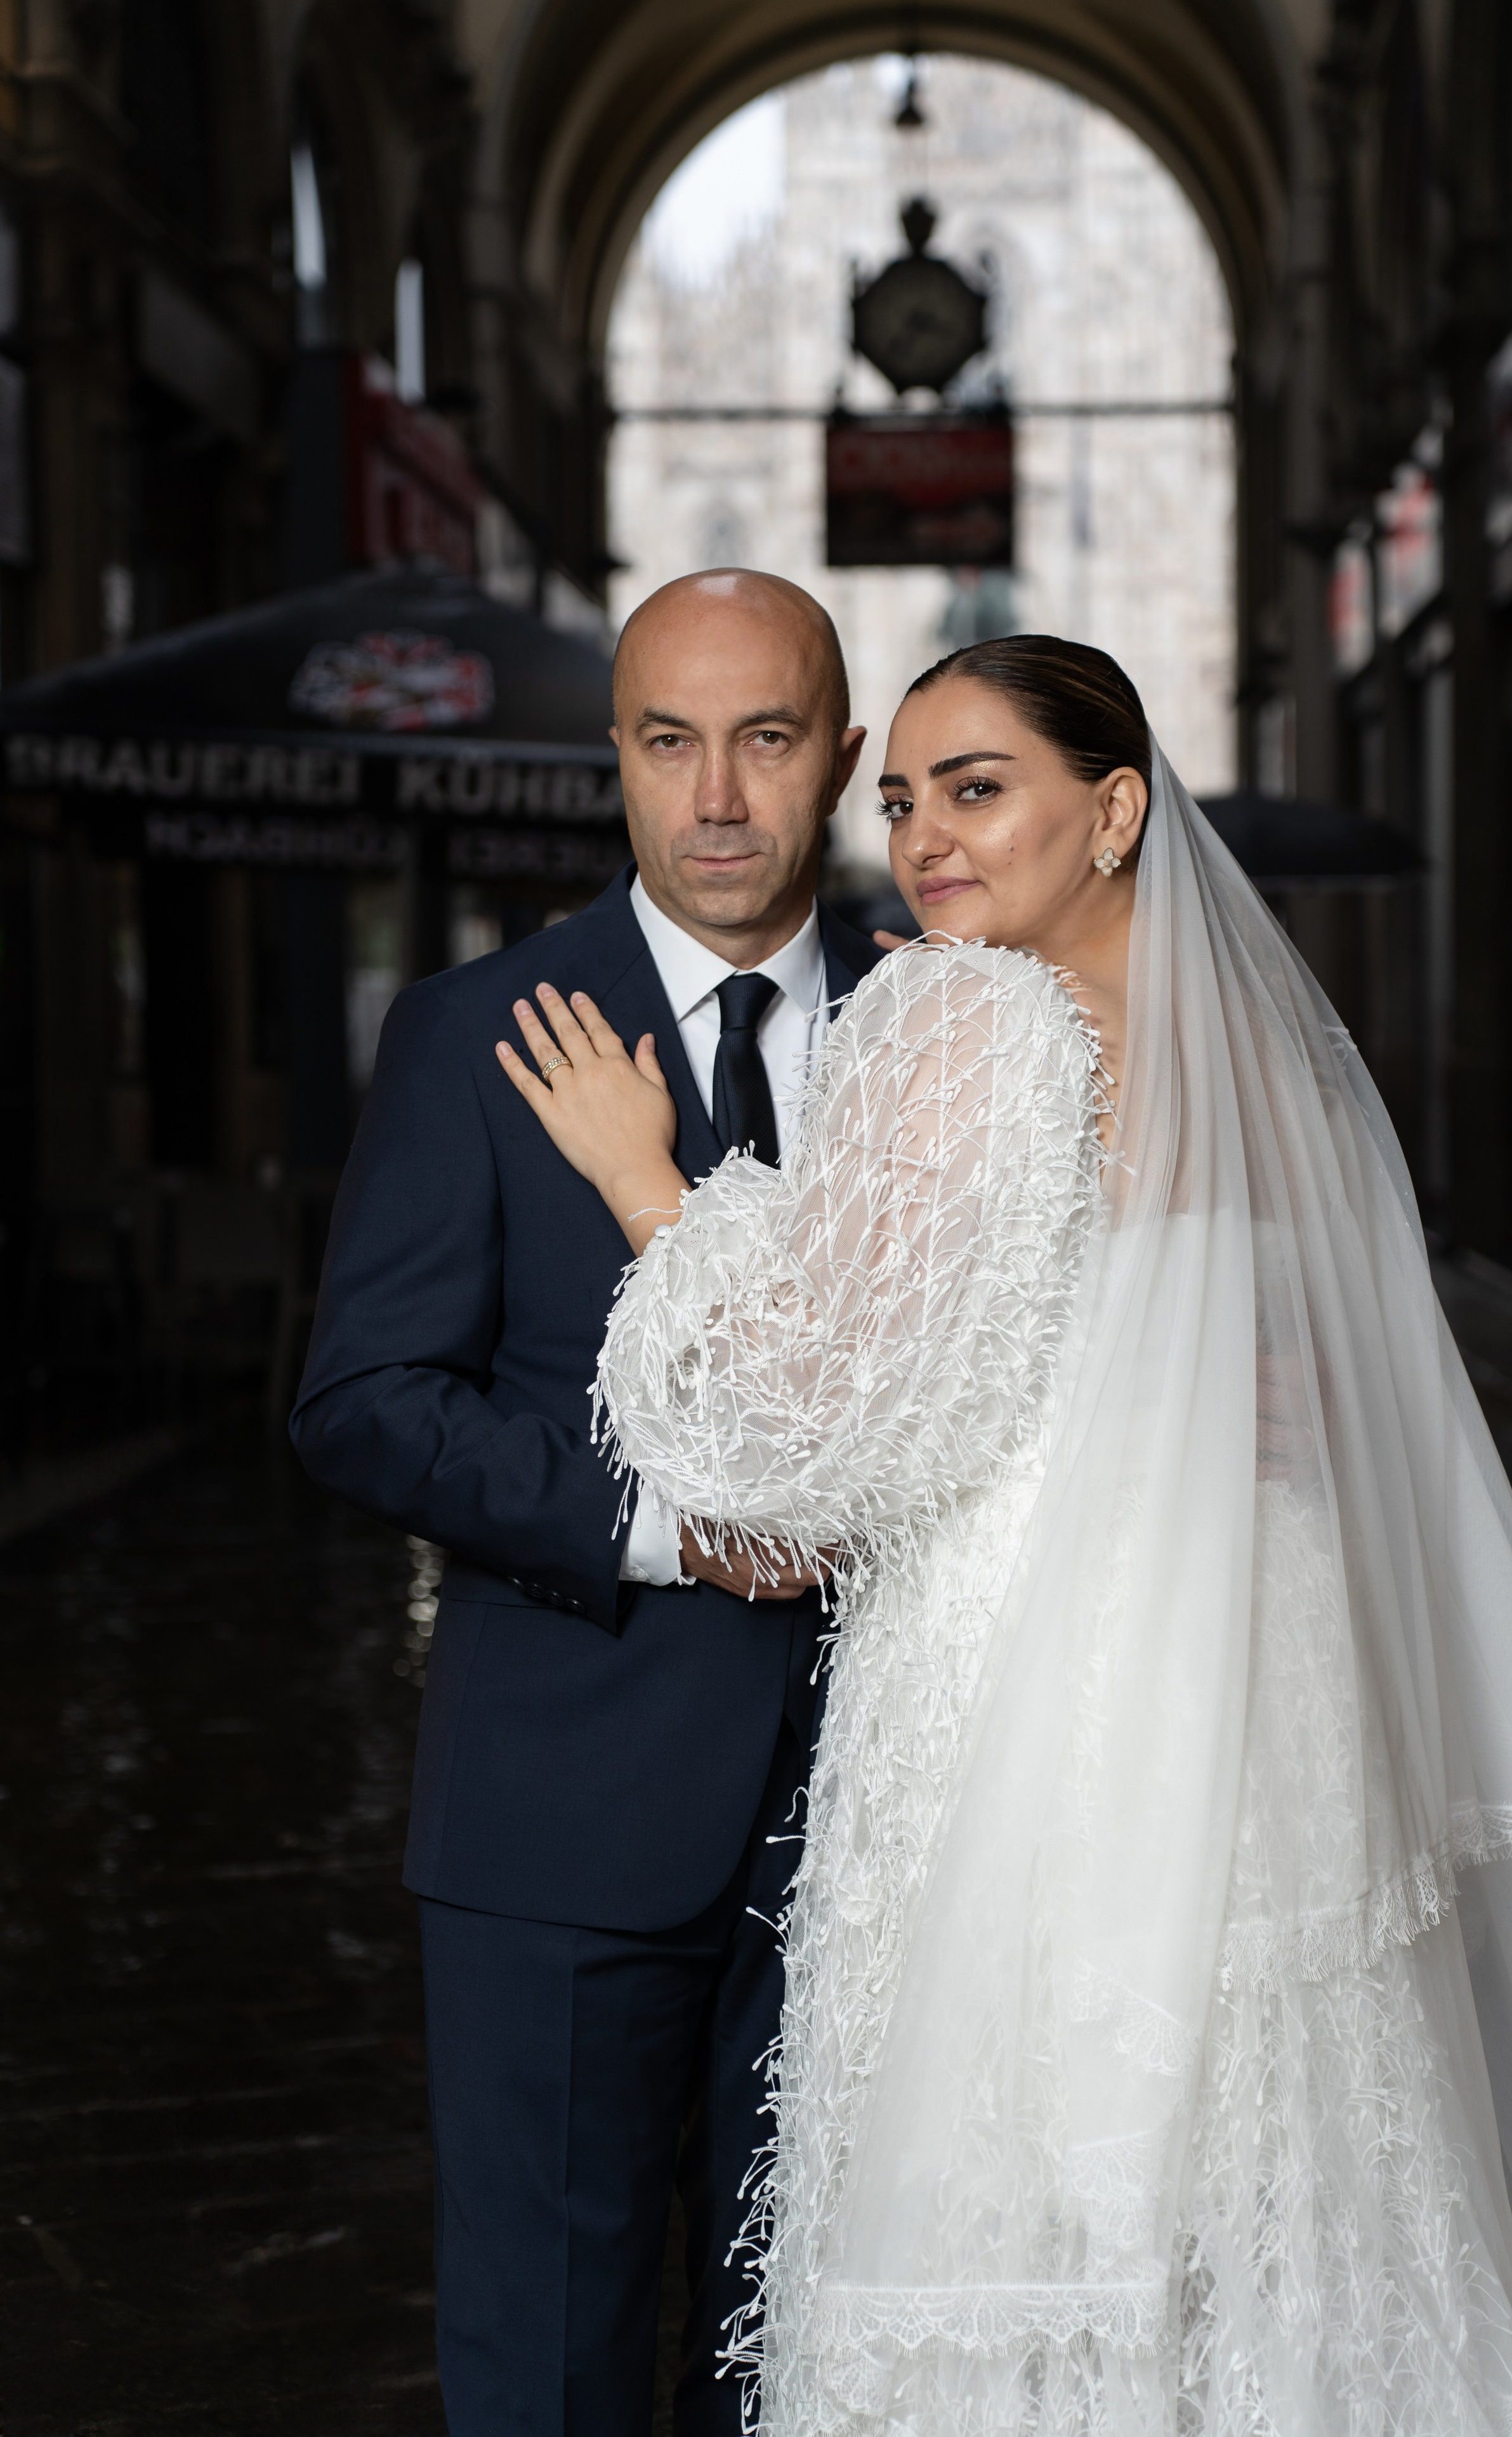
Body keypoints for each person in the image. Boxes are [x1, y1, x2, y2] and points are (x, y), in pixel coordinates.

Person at [496, 634, 1512, 2435]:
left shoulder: (969, 1012)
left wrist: (650, 1182)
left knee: (1022, 2179)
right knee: (1262, 2179)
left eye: (976, 787)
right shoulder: (1254, 1043)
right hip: (1259, 1664)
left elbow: (805, 1425)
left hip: (1039, 1686)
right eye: (904, 799)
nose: (927, 838)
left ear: (1113, 809)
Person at [289, 570, 883, 2436]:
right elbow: (366, 1403)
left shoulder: (945, 1042)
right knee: (544, 2369)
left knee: (808, 2374)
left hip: (886, 1845)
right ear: (613, 760)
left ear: (842, 760)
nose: (716, 798)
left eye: (766, 740)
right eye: (669, 742)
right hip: (558, 1821)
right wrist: (655, 1527)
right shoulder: (482, 1029)